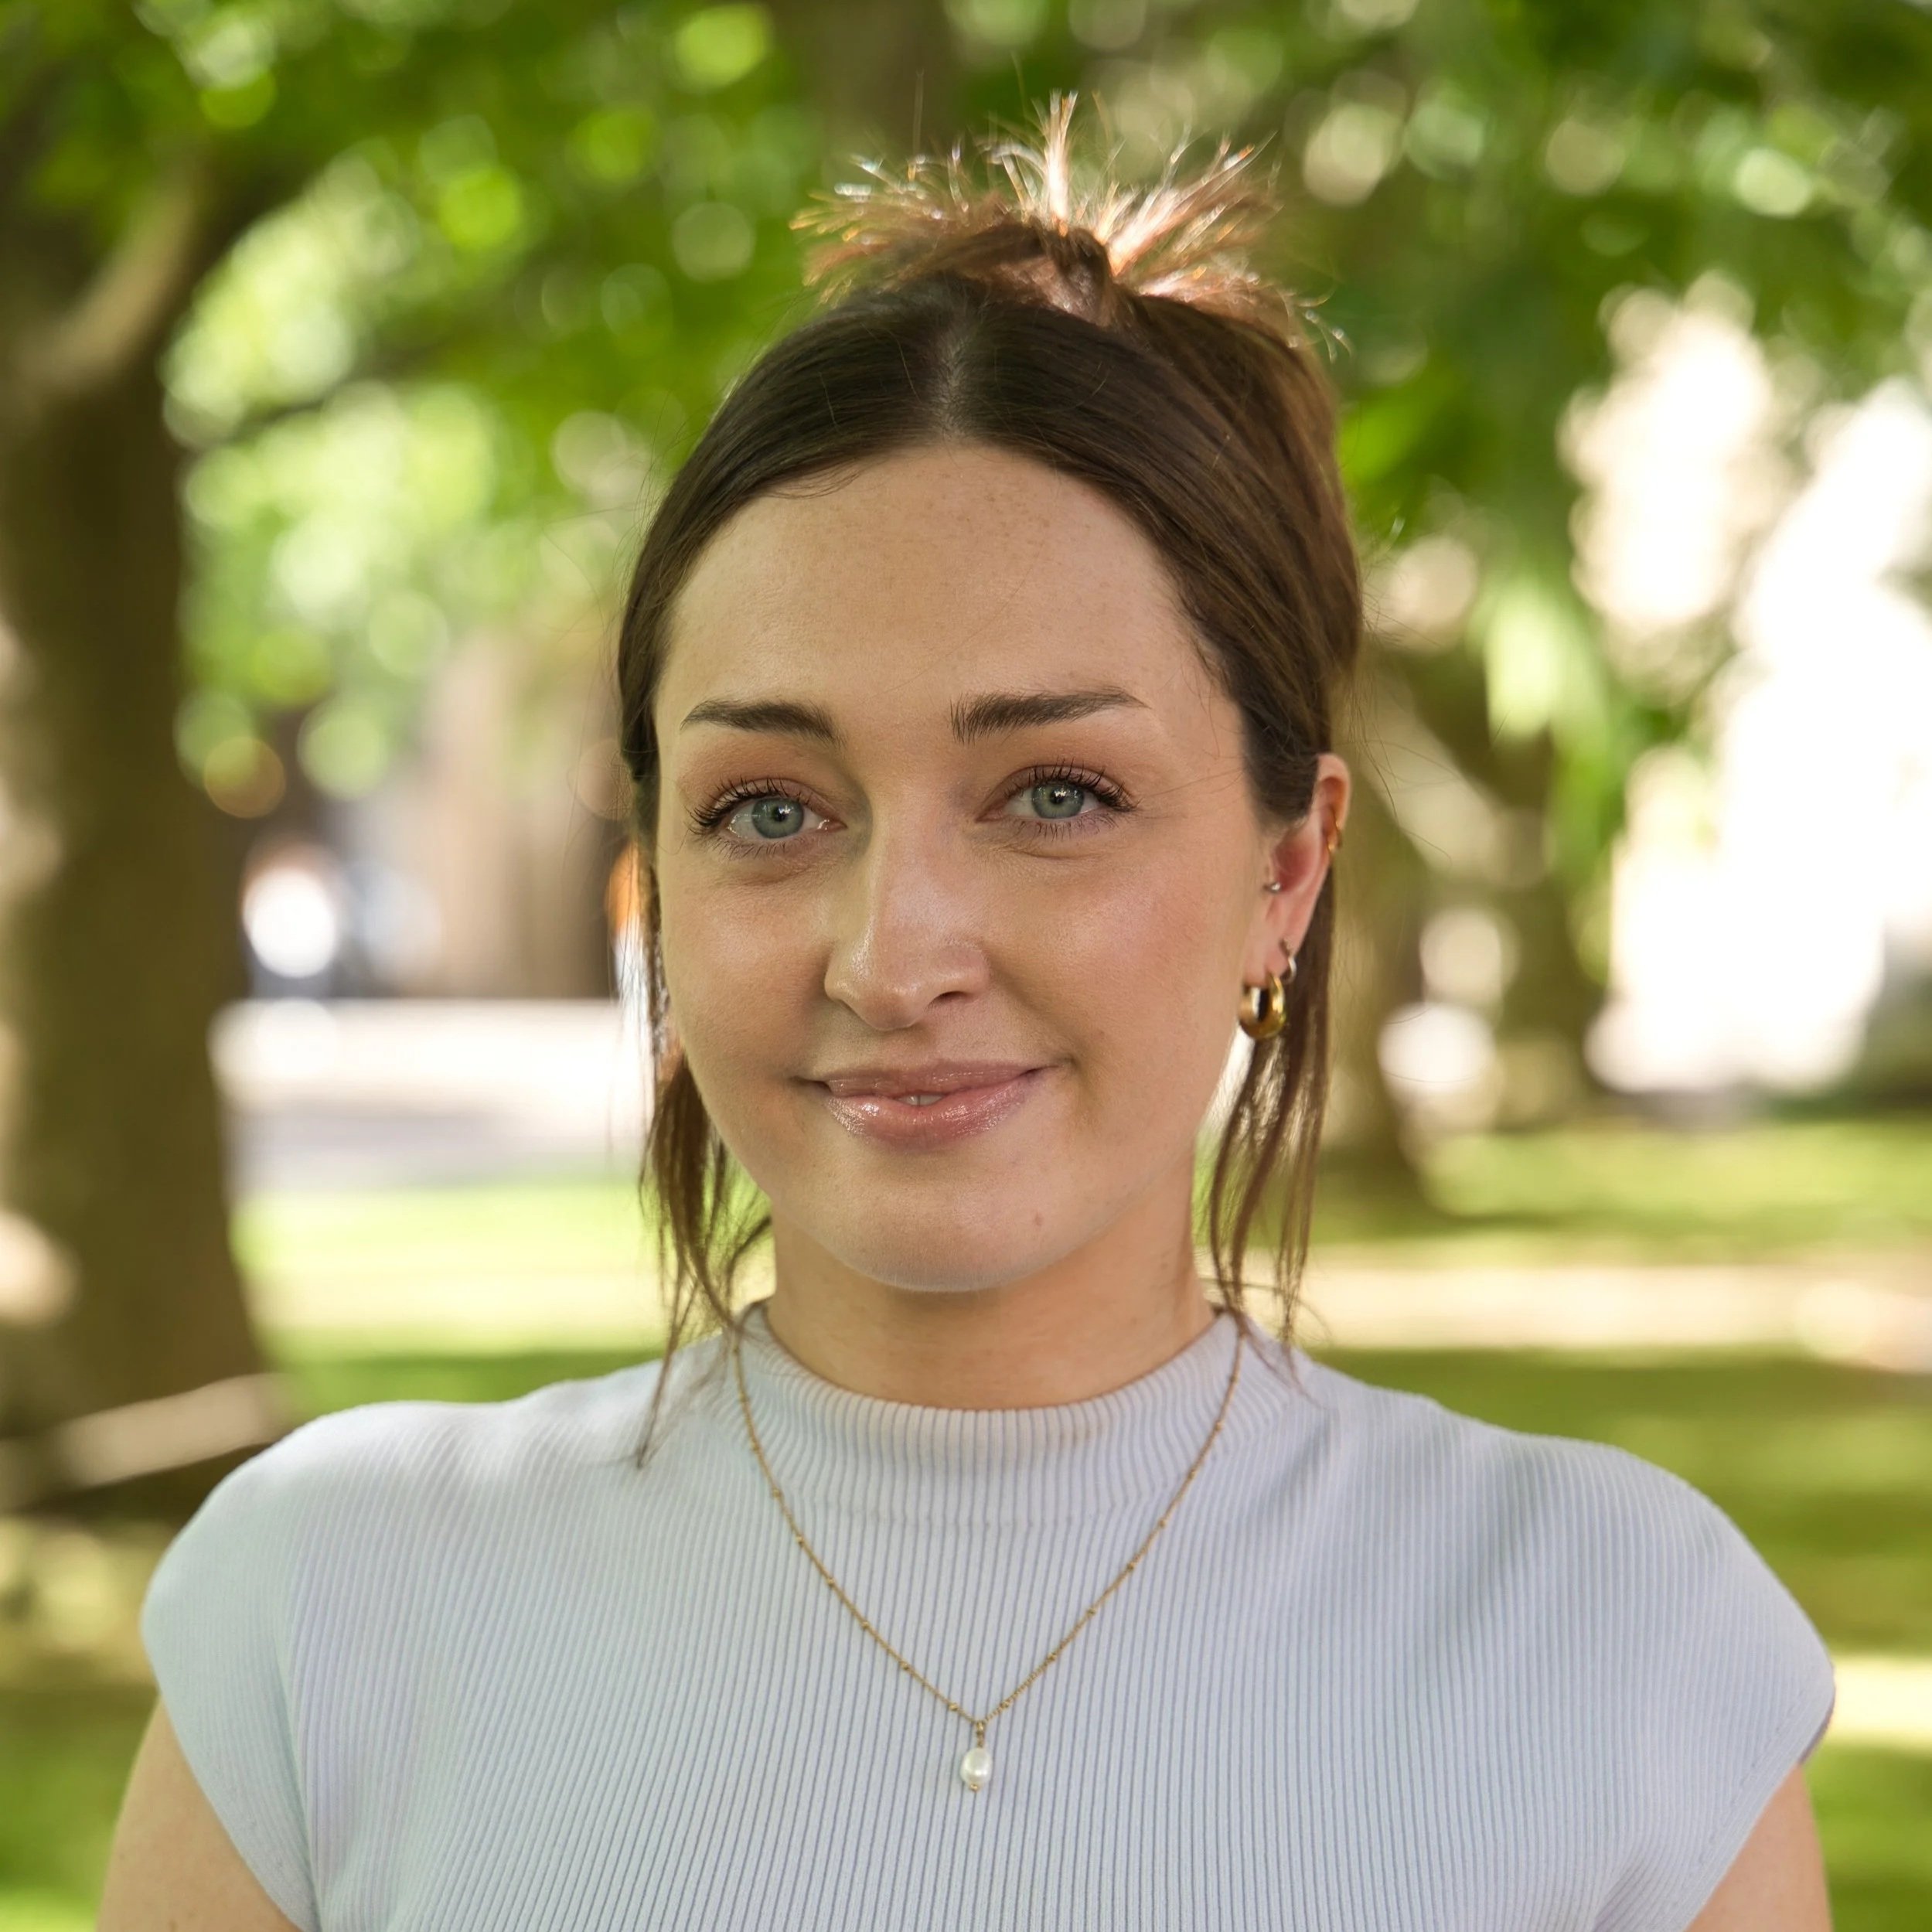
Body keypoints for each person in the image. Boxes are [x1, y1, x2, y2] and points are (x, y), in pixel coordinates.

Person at [101, 96, 1835, 1930]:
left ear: (1286, 866)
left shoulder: (1620, 1648)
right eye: (769, 809)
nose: (892, 953)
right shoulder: (327, 1613)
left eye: (1054, 793)